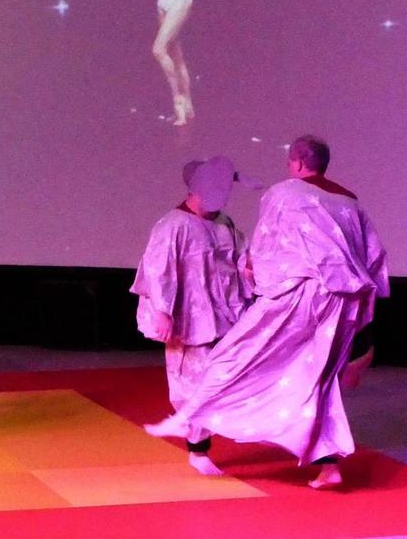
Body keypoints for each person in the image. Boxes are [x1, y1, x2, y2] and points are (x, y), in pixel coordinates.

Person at [145, 136, 389, 489]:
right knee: (310, 379)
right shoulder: (349, 201)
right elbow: (373, 256)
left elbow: (260, 250)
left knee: (239, 361)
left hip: (293, 299)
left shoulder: (280, 197)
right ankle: (325, 462)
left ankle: (192, 420)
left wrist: (258, 277)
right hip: (337, 304)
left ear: (298, 163)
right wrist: (163, 310)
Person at [132, 156, 255, 475]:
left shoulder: (224, 223)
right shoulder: (173, 226)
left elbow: (240, 256)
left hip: (223, 312)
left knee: (224, 376)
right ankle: (196, 446)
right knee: (191, 379)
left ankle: (197, 431)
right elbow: (159, 271)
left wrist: (251, 266)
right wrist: (162, 311)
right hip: (188, 317)